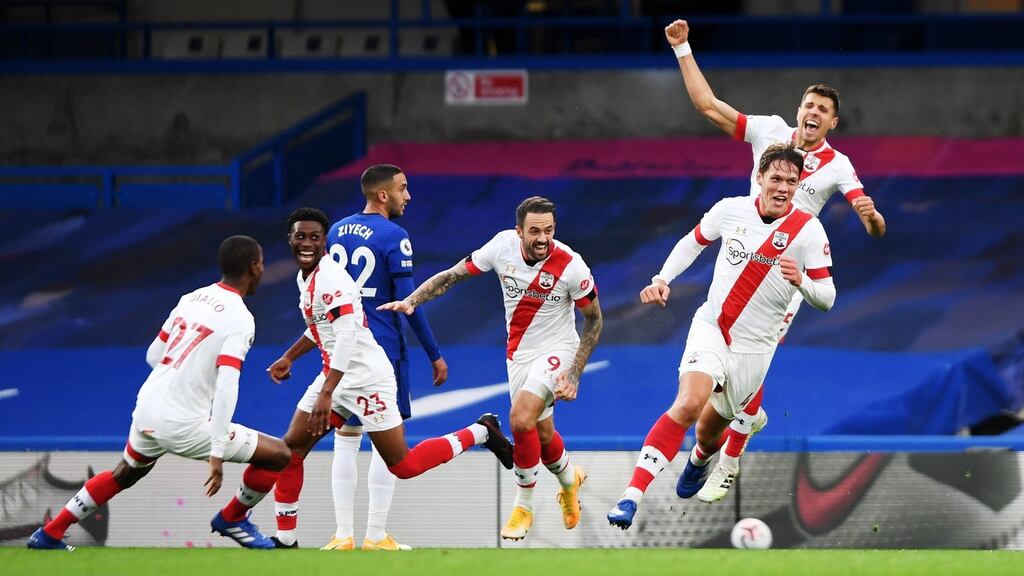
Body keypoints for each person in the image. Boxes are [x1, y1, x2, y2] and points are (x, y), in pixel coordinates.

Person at [663, 18, 887, 500]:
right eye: (808, 104)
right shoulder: (769, 133)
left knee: (757, 351)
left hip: (785, 274)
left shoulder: (839, 165)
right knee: (719, 370)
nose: (813, 112)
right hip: (742, 252)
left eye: (823, 110)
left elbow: (873, 225)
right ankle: (730, 432)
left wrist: (871, 219)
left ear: (832, 123)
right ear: (799, 110)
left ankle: (730, 457)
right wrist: (683, 49)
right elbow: (708, 107)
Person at [607, 143, 836, 530]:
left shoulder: (808, 231)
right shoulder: (731, 209)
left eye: (791, 182)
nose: (783, 188)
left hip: (755, 350)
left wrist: (803, 283)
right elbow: (692, 242)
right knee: (688, 403)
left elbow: (827, 298)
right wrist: (662, 279)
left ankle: (701, 457)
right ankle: (631, 496)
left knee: (708, 432)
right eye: (776, 178)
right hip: (713, 327)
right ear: (760, 178)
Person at [267, 207, 514, 548]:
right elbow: (319, 328)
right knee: (291, 450)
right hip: (336, 376)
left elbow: (348, 336)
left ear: (326, 242)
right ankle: (286, 538)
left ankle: (480, 432)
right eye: (300, 237)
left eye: (314, 237)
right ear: (290, 240)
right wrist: (288, 356)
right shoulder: (305, 278)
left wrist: (327, 392)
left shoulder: (332, 278)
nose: (306, 243)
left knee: (404, 465)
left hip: (367, 378)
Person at [28, 236, 293, 550]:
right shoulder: (240, 318)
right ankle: (233, 517)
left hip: (148, 407)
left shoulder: (192, 298)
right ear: (254, 266)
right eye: (261, 261)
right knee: (279, 455)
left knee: (124, 473)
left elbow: (154, 354)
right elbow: (226, 384)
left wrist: (180, 383)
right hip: (183, 423)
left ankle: (50, 533)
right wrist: (217, 451)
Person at [379, 196, 603, 542]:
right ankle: (569, 479)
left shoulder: (572, 266)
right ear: (519, 232)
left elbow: (594, 320)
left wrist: (574, 373)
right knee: (541, 437)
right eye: (534, 231)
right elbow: (452, 276)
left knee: (519, 419)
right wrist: (412, 301)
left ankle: (523, 505)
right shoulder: (501, 247)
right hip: (518, 356)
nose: (543, 238)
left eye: (549, 230)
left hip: (558, 351)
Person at [269, 165, 447, 551]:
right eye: (402, 189)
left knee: (345, 441)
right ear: (382, 195)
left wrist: (293, 355)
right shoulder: (395, 236)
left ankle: (342, 534)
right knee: (388, 444)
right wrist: (434, 353)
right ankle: (376, 534)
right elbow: (409, 303)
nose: (408, 196)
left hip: (337, 351)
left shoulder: (333, 233)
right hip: (379, 350)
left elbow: (324, 311)